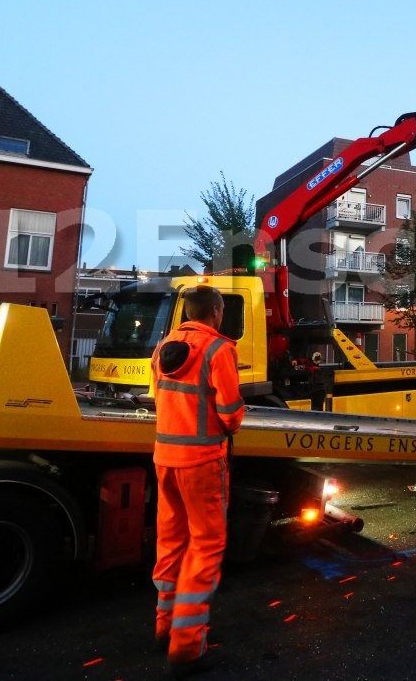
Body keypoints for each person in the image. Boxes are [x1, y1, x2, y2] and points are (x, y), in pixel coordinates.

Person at [150, 285, 245, 678]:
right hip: (203, 462)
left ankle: (164, 624)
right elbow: (230, 413)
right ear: (217, 312)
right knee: (205, 546)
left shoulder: (163, 348)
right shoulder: (219, 350)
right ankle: (187, 647)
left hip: (165, 458)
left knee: (171, 540)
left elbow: (158, 396)